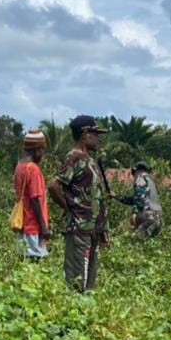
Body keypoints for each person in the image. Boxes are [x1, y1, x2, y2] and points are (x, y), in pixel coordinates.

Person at [50, 115, 110, 292]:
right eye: (95, 133)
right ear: (85, 134)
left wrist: (104, 228)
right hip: (78, 228)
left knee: (89, 282)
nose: (98, 138)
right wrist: (68, 207)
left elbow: (98, 197)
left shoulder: (91, 161)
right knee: (77, 281)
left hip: (93, 229)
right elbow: (53, 185)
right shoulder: (74, 158)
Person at [15, 128, 50, 260]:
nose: (42, 155)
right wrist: (43, 227)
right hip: (33, 227)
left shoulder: (19, 166)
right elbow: (35, 199)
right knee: (34, 262)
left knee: (23, 262)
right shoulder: (33, 169)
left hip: (23, 224)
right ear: (37, 150)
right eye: (42, 151)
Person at [115, 161, 163, 238]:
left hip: (147, 217)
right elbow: (135, 199)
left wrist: (134, 213)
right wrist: (116, 196)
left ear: (137, 171)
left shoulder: (140, 178)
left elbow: (139, 197)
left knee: (136, 241)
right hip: (158, 219)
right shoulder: (151, 182)